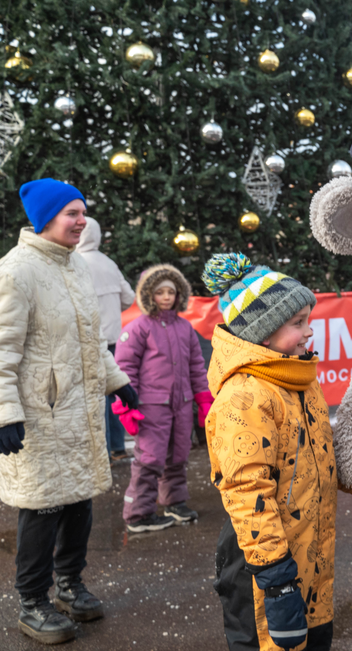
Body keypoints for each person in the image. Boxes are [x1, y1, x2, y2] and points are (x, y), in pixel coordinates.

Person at [201, 253, 352, 651]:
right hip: (263, 568)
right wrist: (276, 583)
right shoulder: (245, 398)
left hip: (309, 559)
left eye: (308, 319)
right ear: (264, 332)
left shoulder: (298, 380)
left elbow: (316, 460)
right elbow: (246, 493)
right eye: (297, 323)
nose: (310, 332)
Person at [0, 179, 140, 645]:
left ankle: (69, 584)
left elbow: (92, 342)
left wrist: (119, 383)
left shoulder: (76, 267)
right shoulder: (16, 271)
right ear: (45, 219)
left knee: (79, 501)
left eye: (83, 213)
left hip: (80, 412)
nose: (81, 221)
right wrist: (5, 413)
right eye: (71, 213)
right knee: (42, 508)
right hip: (38, 417)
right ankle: (33, 603)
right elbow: (2, 350)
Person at [113, 264, 213, 533]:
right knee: (150, 458)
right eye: (160, 292)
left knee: (178, 455)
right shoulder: (137, 329)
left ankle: (175, 502)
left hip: (181, 404)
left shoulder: (185, 328)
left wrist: (203, 400)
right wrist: (125, 407)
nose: (167, 297)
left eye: (171, 291)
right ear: (148, 295)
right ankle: (139, 513)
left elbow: (196, 366)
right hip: (150, 407)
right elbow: (123, 369)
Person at [77, 217, 137, 464]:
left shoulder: (74, 262)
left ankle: (99, 450)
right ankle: (118, 447)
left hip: (89, 338)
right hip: (113, 335)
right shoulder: (108, 263)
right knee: (114, 390)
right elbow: (128, 297)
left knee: (92, 394)